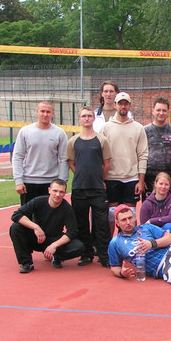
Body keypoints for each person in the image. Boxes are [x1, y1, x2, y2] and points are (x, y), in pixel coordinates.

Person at [66, 107, 112, 268]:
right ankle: (86, 254)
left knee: (101, 224)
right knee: (81, 223)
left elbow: (107, 164)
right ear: (79, 119)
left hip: (97, 189)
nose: (86, 118)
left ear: (94, 118)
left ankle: (104, 255)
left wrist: (100, 178)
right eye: (83, 116)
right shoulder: (73, 141)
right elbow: (71, 162)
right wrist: (79, 174)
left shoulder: (101, 140)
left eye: (89, 116)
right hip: (79, 189)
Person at [9, 179, 84, 273]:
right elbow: (16, 215)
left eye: (61, 192)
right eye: (55, 191)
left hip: (54, 239)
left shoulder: (67, 208)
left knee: (79, 247)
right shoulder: (38, 201)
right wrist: (36, 227)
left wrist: (54, 245)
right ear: (49, 190)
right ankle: (27, 263)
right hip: (37, 238)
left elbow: (72, 232)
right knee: (15, 227)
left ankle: (56, 257)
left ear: (65, 193)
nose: (57, 194)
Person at [101, 92, 148, 231]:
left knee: (129, 215)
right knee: (111, 214)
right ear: (115, 105)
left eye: (126, 103)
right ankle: (110, 246)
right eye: (120, 103)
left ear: (129, 106)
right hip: (111, 177)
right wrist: (102, 179)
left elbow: (143, 154)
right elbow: (101, 156)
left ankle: (128, 244)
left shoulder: (138, 128)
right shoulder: (105, 128)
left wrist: (140, 180)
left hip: (131, 178)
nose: (123, 106)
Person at [12, 101, 68, 205]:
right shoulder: (25, 131)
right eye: (42, 111)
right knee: (27, 217)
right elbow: (17, 157)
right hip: (29, 182)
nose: (45, 114)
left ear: (53, 113)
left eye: (48, 112)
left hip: (51, 183)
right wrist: (18, 181)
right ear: (37, 112)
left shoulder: (59, 133)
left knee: (49, 218)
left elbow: (64, 159)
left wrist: (62, 183)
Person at [143, 97, 171, 197]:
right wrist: (141, 179)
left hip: (170, 174)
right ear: (153, 111)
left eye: (164, 110)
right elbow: (139, 155)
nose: (161, 113)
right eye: (158, 110)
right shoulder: (145, 131)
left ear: (168, 112)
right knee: (150, 208)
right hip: (149, 175)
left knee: (170, 207)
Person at [140, 172, 171, 236]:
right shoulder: (146, 203)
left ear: (170, 186)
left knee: (169, 226)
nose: (163, 187)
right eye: (161, 184)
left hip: (168, 232)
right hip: (153, 234)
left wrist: (152, 221)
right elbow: (144, 226)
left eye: (166, 184)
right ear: (155, 184)